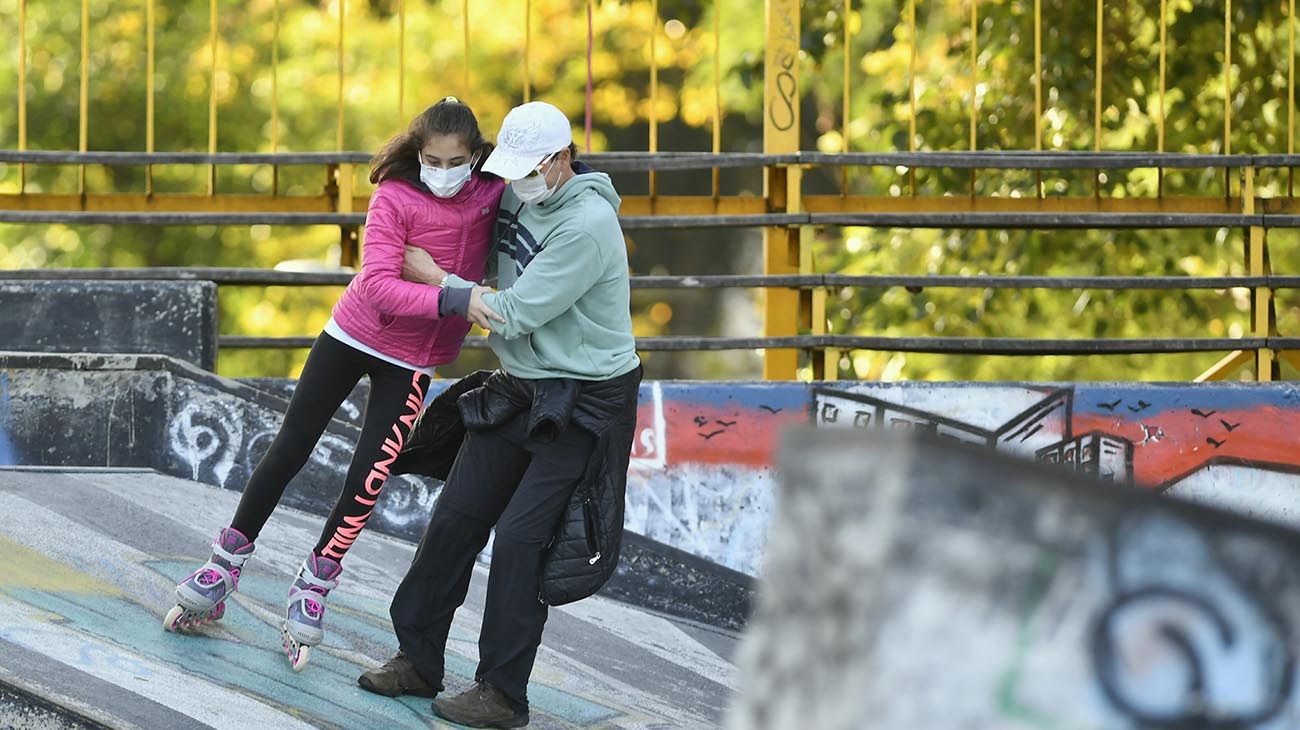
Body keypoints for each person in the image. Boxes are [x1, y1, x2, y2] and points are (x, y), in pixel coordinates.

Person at [161, 97, 506, 672]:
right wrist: (458, 296)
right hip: (351, 336)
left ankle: (315, 583)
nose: (442, 171)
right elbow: (377, 287)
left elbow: (564, 171)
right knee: (290, 446)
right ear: (417, 154)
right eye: (431, 159)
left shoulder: (493, 192)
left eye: (455, 161)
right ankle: (224, 564)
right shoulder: (394, 196)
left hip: (416, 359)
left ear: (475, 158)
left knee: (369, 476)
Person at [356, 101, 642, 728]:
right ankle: (418, 658)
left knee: (519, 538)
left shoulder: (587, 225)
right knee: (456, 515)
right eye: (509, 170)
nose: (515, 183)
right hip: (520, 384)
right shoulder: (516, 191)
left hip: (585, 398)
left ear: (562, 159)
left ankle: (503, 694)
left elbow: (511, 314)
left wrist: (433, 276)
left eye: (530, 170)